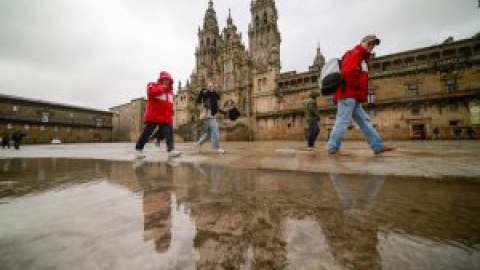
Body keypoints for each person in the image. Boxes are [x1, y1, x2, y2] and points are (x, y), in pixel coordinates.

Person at [326, 34, 395, 155]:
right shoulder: (354, 54)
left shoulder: (361, 58)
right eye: (370, 43)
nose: (371, 46)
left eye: (373, 44)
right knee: (342, 121)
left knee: (364, 121)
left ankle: (377, 146)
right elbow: (347, 72)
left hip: (353, 96)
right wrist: (357, 85)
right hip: (348, 95)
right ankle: (332, 147)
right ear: (363, 42)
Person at [135, 71, 181, 159]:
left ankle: (171, 150)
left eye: (168, 80)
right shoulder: (152, 85)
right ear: (161, 80)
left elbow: (169, 106)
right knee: (147, 133)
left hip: (165, 118)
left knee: (169, 133)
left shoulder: (170, 92)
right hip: (153, 116)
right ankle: (138, 149)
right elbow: (151, 92)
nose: (167, 82)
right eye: (165, 79)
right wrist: (162, 88)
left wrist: (170, 117)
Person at [195, 82, 226, 154]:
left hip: (212, 115)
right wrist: (203, 91)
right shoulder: (206, 93)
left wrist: (223, 112)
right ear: (208, 87)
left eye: (212, 86)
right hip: (208, 115)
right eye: (209, 86)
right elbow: (199, 100)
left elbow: (216, 105)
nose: (211, 87)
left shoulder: (214, 94)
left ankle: (199, 143)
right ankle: (217, 148)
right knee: (215, 131)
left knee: (208, 133)